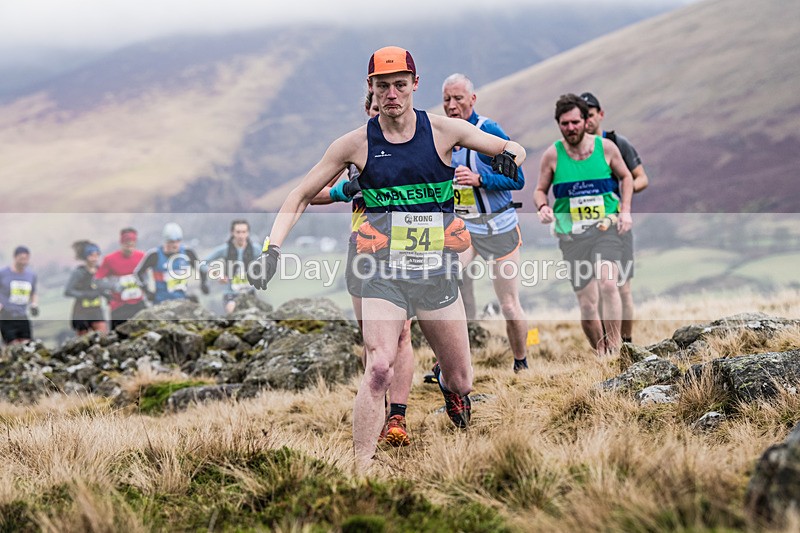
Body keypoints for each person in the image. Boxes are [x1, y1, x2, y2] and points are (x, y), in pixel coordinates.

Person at [247, 46, 525, 471]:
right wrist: (272, 248)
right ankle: (362, 470)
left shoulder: (445, 131)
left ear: (415, 84)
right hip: (380, 271)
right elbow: (300, 195)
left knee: (463, 378)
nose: (391, 93)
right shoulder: (354, 144)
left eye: (399, 84)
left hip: (435, 271)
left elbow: (512, 149)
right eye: (382, 86)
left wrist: (509, 155)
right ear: (371, 90)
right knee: (378, 365)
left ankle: (450, 389)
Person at [312, 91, 414, 447]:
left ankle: (397, 415)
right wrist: (345, 188)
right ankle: (378, 404)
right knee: (372, 342)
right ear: (369, 111)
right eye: (373, 109)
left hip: (405, 249)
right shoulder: (354, 147)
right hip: (363, 249)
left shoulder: (413, 144)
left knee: (403, 332)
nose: (380, 113)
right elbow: (313, 193)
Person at [442, 73, 530, 373]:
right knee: (445, 281)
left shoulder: (487, 129)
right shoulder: (443, 135)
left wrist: (480, 179)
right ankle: (450, 365)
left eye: (458, 99)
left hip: (500, 227)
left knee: (508, 303)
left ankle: (521, 362)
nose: (452, 106)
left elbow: (518, 179)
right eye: (446, 100)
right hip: (466, 228)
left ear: (472, 100)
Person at [533, 93, 632, 356]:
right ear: (558, 124)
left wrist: (626, 212)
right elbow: (539, 190)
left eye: (575, 122)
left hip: (605, 229)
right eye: (564, 124)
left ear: (585, 120)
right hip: (572, 236)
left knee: (609, 284)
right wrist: (543, 207)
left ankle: (616, 350)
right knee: (588, 307)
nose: (571, 128)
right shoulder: (552, 155)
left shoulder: (606, 148)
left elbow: (627, 178)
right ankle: (602, 353)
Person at [581, 92, 649, 343]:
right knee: (599, 288)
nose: (585, 121)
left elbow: (640, 177)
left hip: (617, 223)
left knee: (622, 288)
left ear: (600, 114)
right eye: (581, 115)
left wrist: (622, 201)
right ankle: (609, 344)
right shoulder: (574, 149)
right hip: (587, 228)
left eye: (589, 115)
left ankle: (627, 343)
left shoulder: (617, 143)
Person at [135, 223, 209, 304]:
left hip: (181, 300)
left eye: (178, 241)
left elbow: (202, 269)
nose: (175, 245)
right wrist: (147, 292)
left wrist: (203, 284)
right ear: (165, 241)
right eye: (171, 242)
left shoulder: (187, 253)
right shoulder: (154, 255)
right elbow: (138, 273)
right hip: (160, 302)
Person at [202, 219, 262, 314]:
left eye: (243, 232)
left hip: (250, 292)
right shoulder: (225, 249)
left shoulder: (255, 249)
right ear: (232, 233)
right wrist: (217, 274)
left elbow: (268, 261)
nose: (241, 235)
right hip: (231, 294)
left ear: (248, 233)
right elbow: (202, 264)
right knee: (235, 314)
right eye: (238, 232)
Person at [94, 227, 146, 330]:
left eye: (132, 244)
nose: (130, 247)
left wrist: (145, 286)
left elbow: (146, 275)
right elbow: (97, 281)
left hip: (138, 304)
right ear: (121, 243)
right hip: (119, 306)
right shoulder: (109, 259)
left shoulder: (142, 256)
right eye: (127, 244)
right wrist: (113, 287)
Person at [64, 240, 108, 335]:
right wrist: (85, 295)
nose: (94, 258)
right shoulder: (79, 272)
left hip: (96, 310)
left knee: (103, 336)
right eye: (91, 255)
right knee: (83, 340)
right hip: (81, 311)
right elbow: (68, 291)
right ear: (85, 257)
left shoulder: (100, 270)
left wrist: (107, 295)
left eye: (97, 255)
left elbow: (103, 286)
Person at [0, 246, 39, 344]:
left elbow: (33, 292)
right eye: (21, 259)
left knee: (27, 345)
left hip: (22, 315)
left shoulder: (31, 275)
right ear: (15, 257)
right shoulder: (3, 273)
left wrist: (34, 304)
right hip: (6, 315)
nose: (24, 262)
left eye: (26, 259)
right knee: (13, 346)